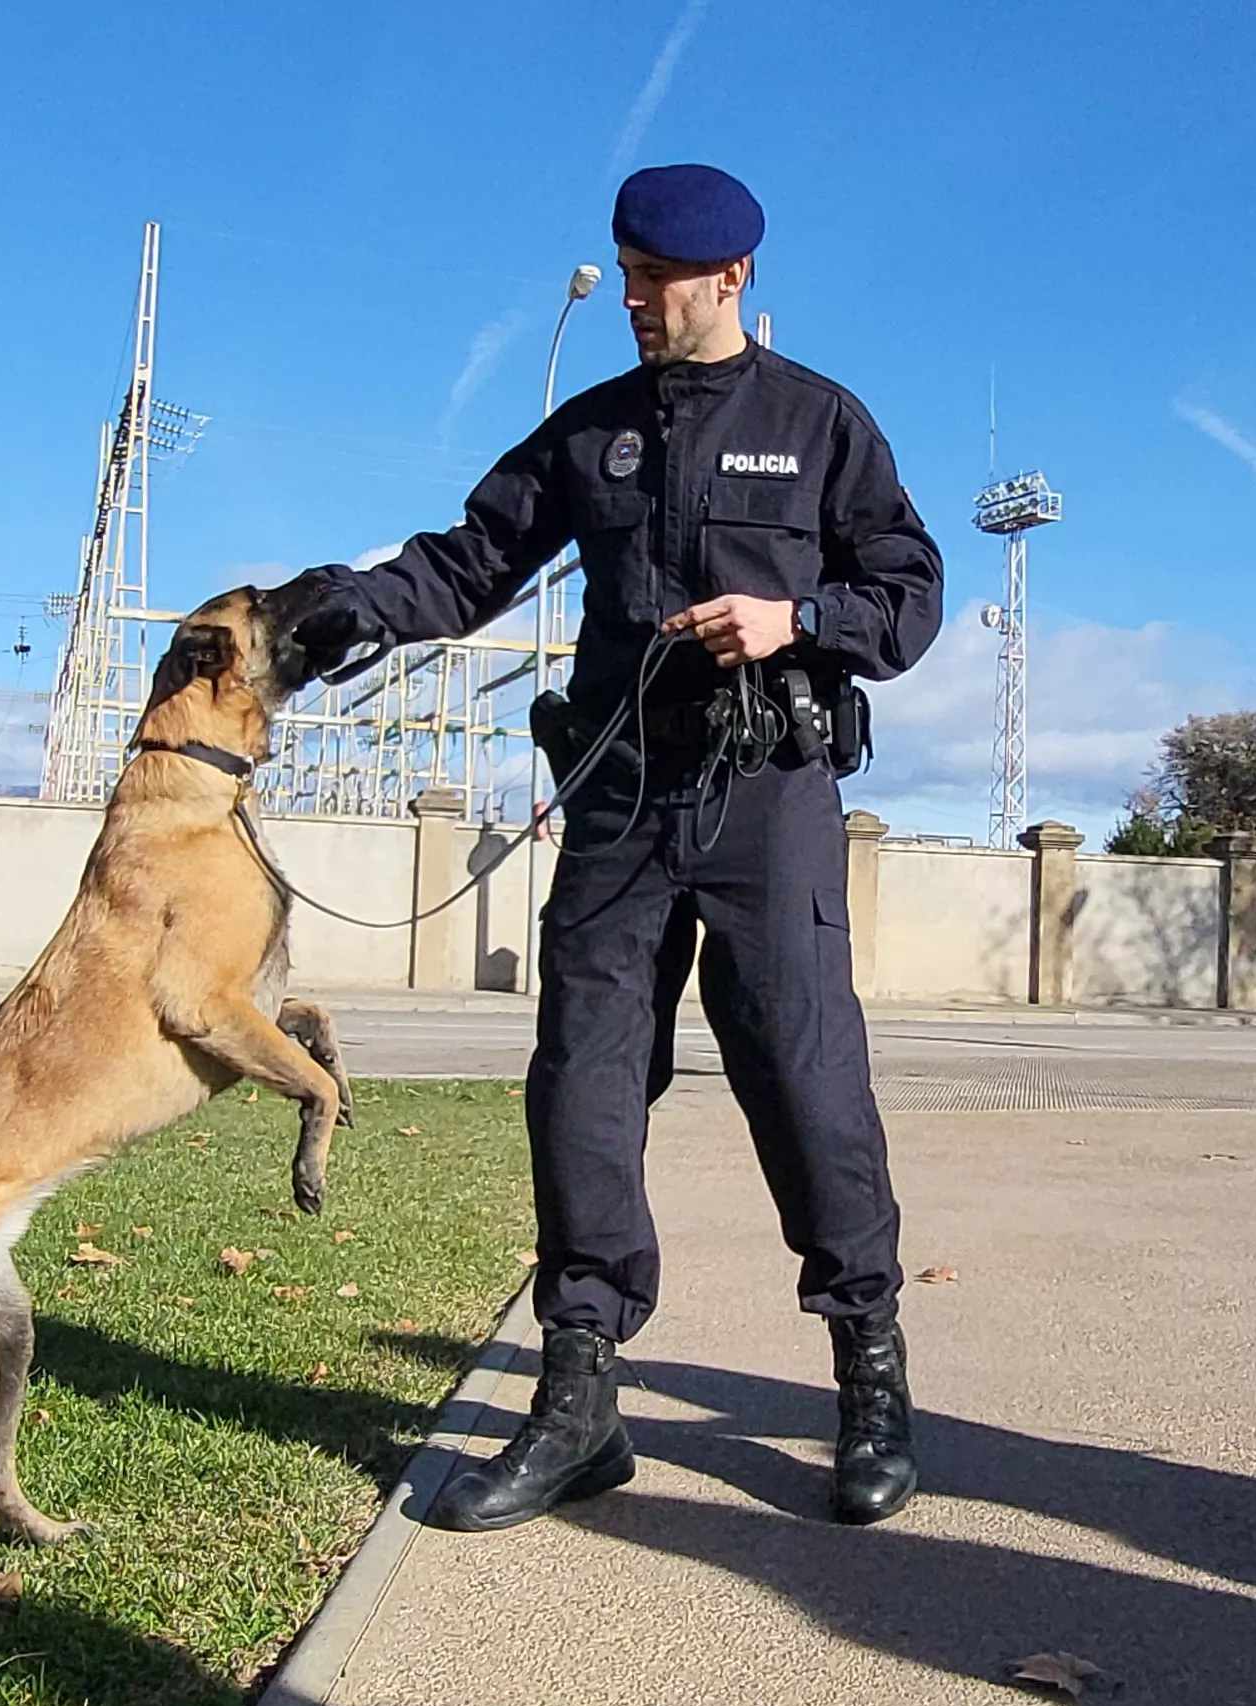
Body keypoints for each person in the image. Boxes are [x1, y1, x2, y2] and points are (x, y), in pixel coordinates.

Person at [281, 163, 945, 1530]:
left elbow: (909, 591)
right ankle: (578, 1402)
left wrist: (793, 616)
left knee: (806, 1081)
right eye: (625, 273)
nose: (633, 298)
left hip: (768, 796)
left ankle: (867, 1376)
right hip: (619, 796)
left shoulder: (820, 424)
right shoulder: (592, 433)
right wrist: (339, 611)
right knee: (582, 1083)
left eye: (654, 278)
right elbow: (470, 558)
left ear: (729, 279)